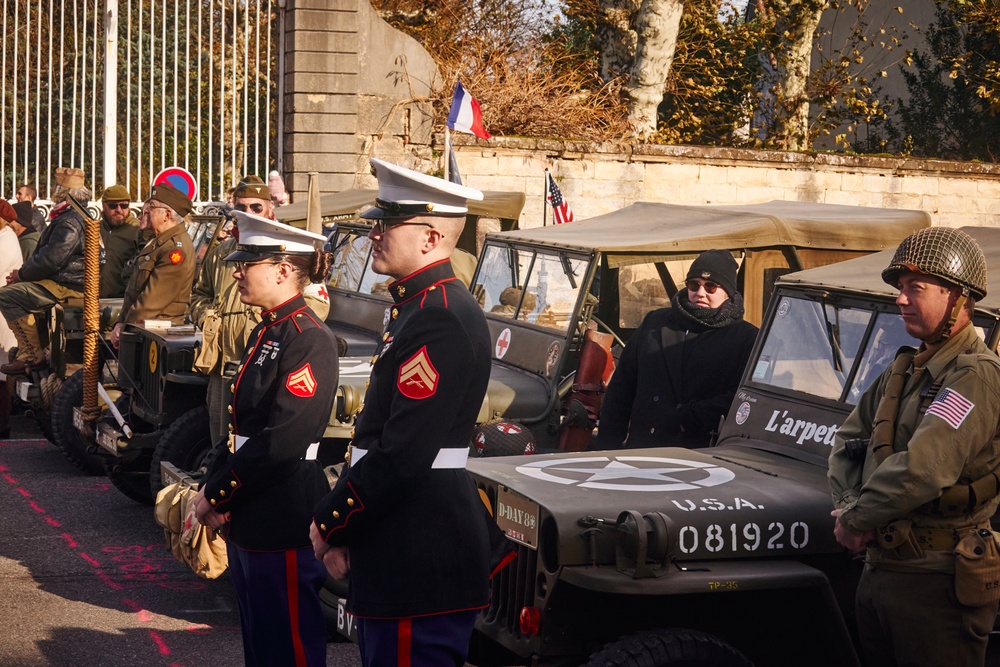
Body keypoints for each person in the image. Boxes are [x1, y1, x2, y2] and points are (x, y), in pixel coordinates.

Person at [310, 159, 510, 667]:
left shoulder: (437, 315)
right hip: (406, 539)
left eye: (386, 224)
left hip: (420, 548)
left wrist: (333, 522)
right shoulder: (417, 306)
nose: (373, 234)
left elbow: (401, 453)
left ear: (429, 236)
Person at [828, 227, 1000, 667]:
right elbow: (848, 442)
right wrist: (850, 509)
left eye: (914, 288)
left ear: (957, 297)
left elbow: (925, 467)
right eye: (901, 289)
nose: (900, 299)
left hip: (935, 585)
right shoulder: (903, 369)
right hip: (883, 572)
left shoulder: (974, 376)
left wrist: (856, 519)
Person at [193, 211, 337, 667]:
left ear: (282, 269)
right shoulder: (268, 329)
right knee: (259, 643)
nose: (236, 270)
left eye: (247, 262)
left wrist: (217, 493)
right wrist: (209, 485)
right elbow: (240, 429)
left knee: (287, 647)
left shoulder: (308, 338)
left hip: (282, 512)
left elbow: (282, 440)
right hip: (253, 512)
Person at [191, 177, 330, 447]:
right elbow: (199, 295)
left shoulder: (287, 249)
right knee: (222, 442)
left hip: (267, 361)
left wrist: (276, 323)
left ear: (270, 208)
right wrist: (208, 318)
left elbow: (318, 304)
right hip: (225, 363)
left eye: (255, 208)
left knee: (257, 439)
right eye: (240, 208)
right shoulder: (221, 252)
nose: (248, 214)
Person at [596, 249, 759, 449]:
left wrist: (689, 418)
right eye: (694, 284)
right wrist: (607, 447)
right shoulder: (655, 322)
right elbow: (622, 387)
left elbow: (745, 398)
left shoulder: (746, 338)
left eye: (711, 287)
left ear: (728, 292)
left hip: (698, 451)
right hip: (644, 445)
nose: (700, 293)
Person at [0, 167, 88, 375]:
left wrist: (21, 274)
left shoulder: (70, 220)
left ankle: (31, 354)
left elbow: (51, 258)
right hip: (63, 281)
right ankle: (31, 349)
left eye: (56, 188)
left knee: (7, 296)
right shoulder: (71, 215)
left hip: (66, 285)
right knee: (19, 293)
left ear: (62, 191)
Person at [109, 182, 196, 348]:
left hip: (158, 335)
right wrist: (120, 322)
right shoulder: (159, 242)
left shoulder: (175, 249)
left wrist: (124, 327)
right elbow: (134, 291)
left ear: (167, 214)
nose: (147, 210)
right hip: (145, 331)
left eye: (152, 207)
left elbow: (151, 301)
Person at [0, 202, 24, 436]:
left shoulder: (5, 241)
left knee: (1, 373)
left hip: (2, 316)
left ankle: (3, 426)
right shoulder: (6, 237)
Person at [97, 184, 141, 298]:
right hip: (93, 299)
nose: (119, 210)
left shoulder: (137, 230)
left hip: (123, 299)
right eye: (113, 206)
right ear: (103, 206)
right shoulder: (95, 229)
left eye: (124, 205)